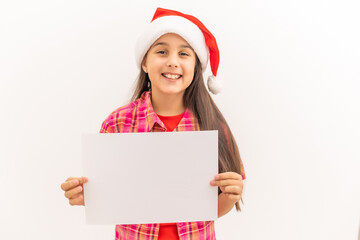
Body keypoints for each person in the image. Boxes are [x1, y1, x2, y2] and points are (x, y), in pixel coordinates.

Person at [60, 7, 246, 240]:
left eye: (184, 54)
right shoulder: (117, 124)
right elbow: (111, 197)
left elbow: (210, 211)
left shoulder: (212, 124)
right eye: (161, 52)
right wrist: (88, 195)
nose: (172, 62)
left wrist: (230, 195)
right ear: (145, 63)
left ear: (196, 68)